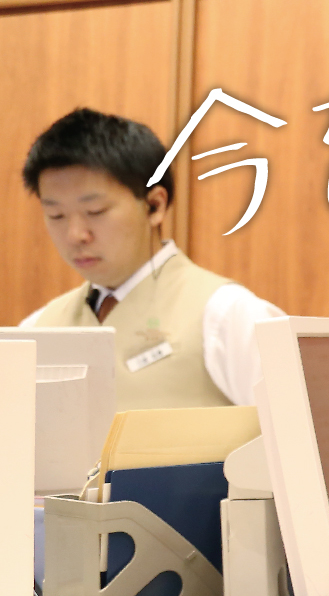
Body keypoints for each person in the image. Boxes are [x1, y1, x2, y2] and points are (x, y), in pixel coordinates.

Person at [19, 108, 282, 409]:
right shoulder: (35, 330)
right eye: (56, 215)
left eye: (95, 212)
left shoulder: (227, 315)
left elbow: (294, 432)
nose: (75, 234)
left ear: (155, 205)